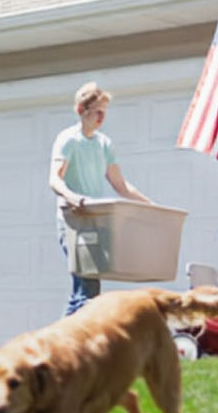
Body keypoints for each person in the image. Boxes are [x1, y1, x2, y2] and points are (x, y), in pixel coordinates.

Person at [49, 82, 151, 317]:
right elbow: (55, 180)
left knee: (84, 290)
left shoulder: (104, 144)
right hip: (73, 222)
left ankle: (64, 346)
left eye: (105, 112)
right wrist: (75, 199)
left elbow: (121, 185)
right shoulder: (69, 140)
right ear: (81, 110)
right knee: (87, 290)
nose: (102, 117)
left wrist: (150, 206)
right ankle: (71, 346)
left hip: (95, 222)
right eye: (97, 111)